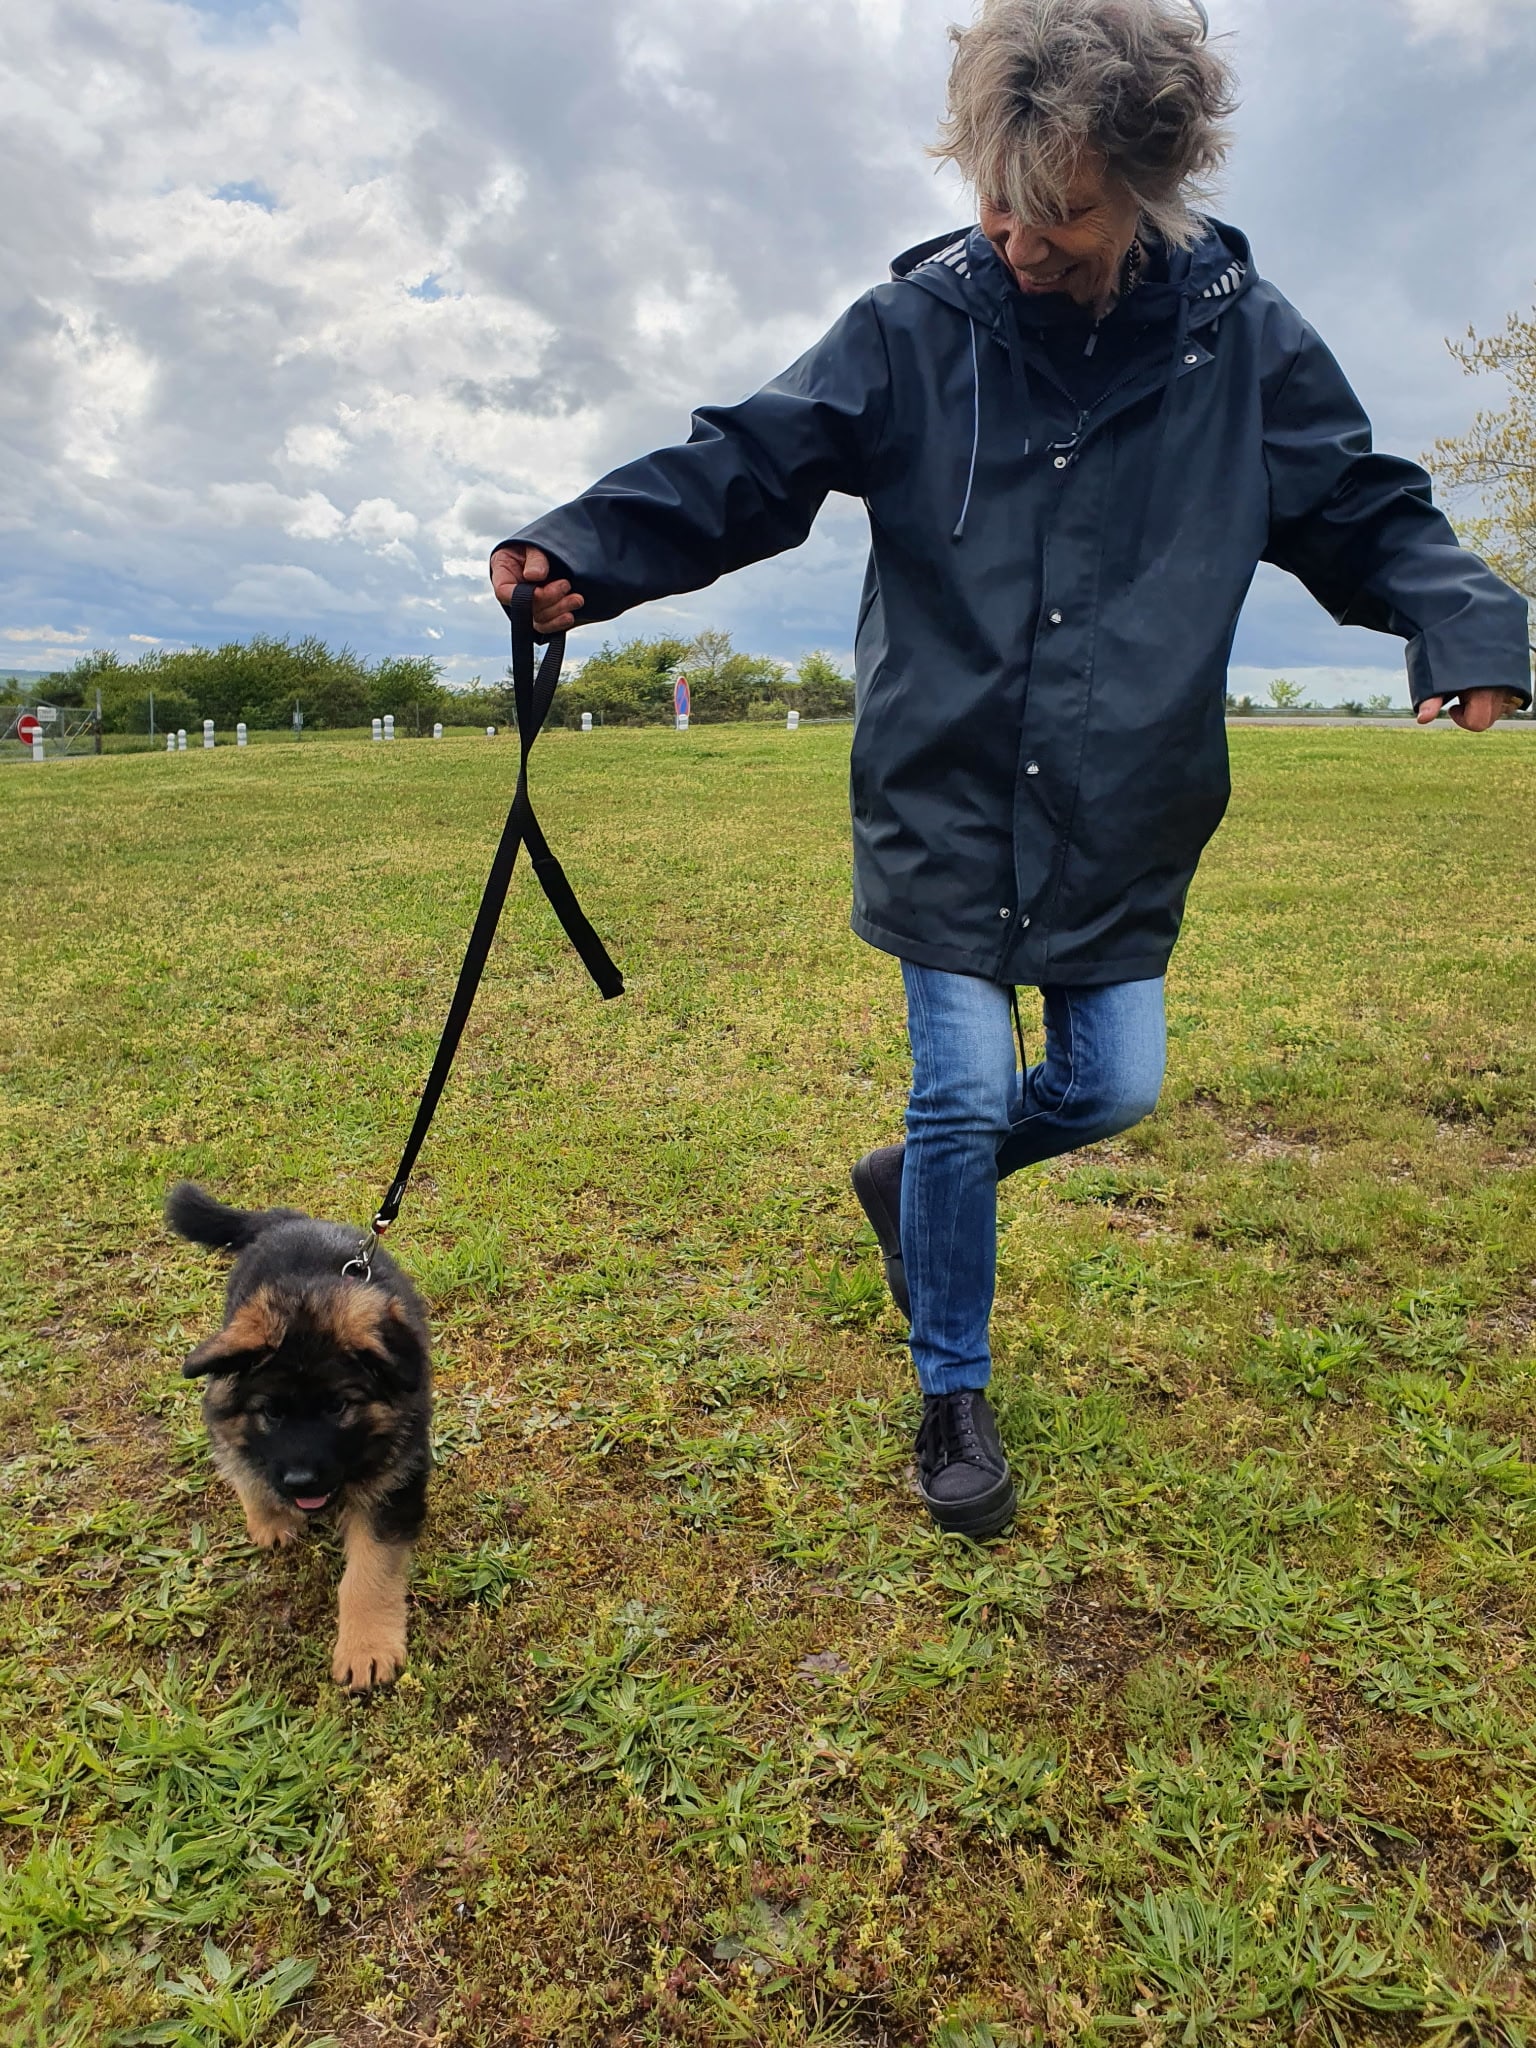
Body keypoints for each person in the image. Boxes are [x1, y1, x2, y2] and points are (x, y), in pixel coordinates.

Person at [489, 0, 1531, 1540]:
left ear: (1154, 189)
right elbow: (750, 461)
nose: (1018, 238)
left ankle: (906, 1181)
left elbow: (1365, 509)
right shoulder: (916, 326)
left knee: (1117, 1086)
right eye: (995, 196)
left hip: (1125, 802)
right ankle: (952, 1388)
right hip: (947, 788)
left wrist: (1463, 618)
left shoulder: (1244, 336)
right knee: (968, 1092)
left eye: (1064, 212)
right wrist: (586, 549)